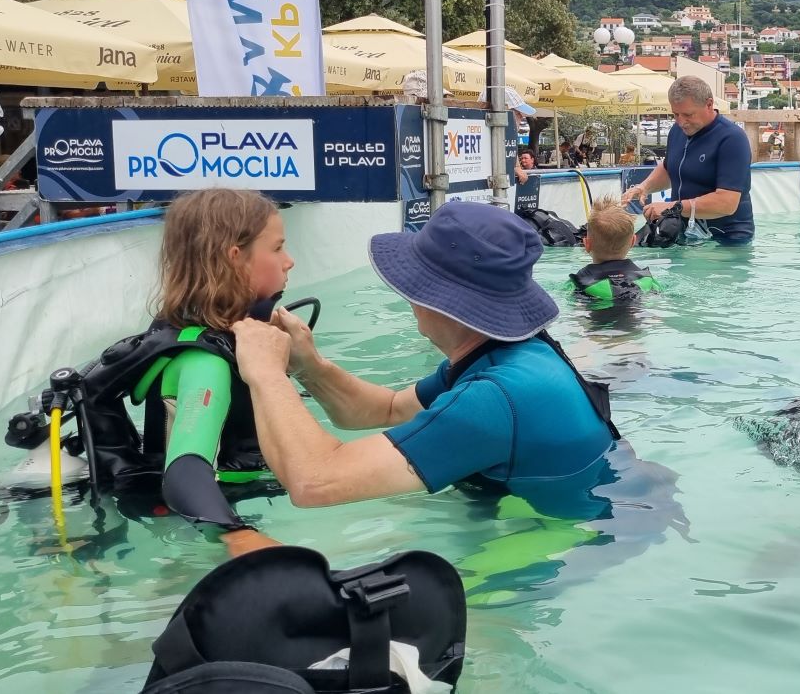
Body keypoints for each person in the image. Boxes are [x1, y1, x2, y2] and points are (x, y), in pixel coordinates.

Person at [229, 201, 619, 520]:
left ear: (442, 300)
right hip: (586, 507)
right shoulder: (506, 354)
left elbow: (315, 482)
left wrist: (265, 373)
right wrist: (306, 364)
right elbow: (383, 408)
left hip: (568, 543)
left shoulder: (494, 399)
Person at [1, 189, 295, 557]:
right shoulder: (207, 364)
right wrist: (239, 535)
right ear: (234, 258)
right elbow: (186, 471)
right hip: (195, 521)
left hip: (189, 511)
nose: (290, 261)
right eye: (278, 248)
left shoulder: (202, 333)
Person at [621, 77, 754, 245]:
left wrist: (673, 207)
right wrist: (644, 187)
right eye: (675, 114)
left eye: (688, 114)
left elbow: (727, 203)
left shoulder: (732, 139)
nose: (681, 121)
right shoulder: (677, 131)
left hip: (726, 240)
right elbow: (670, 168)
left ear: (709, 104)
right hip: (684, 233)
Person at [569, 196, 663, 307]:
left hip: (598, 320)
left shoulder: (579, 282)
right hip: (637, 318)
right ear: (633, 241)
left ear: (586, 244)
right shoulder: (647, 280)